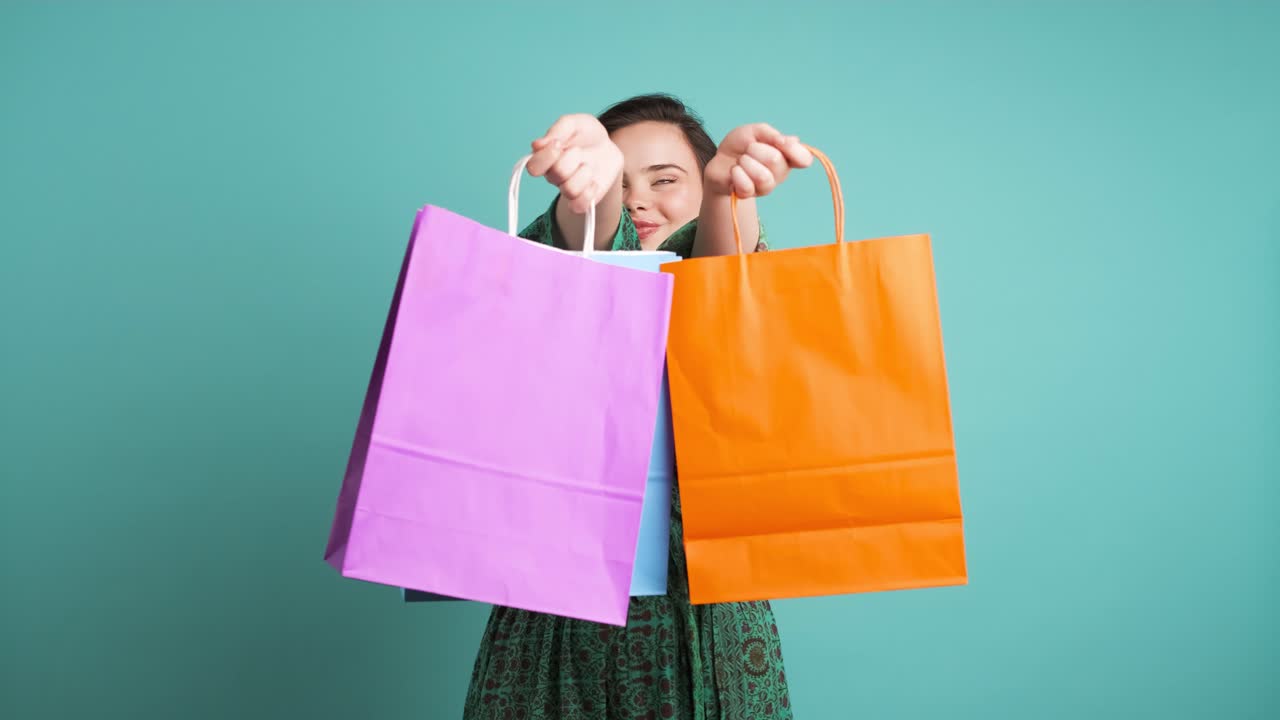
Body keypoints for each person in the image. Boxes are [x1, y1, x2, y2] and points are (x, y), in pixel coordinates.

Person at [462, 93, 812, 720]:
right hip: (555, 610)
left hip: (709, 611)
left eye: (665, 179)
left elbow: (720, 285)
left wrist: (729, 202)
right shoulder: (555, 281)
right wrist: (588, 202)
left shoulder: (723, 260)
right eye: (619, 180)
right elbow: (583, 257)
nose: (637, 198)